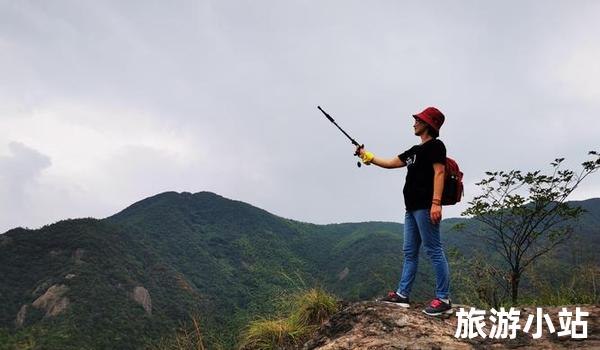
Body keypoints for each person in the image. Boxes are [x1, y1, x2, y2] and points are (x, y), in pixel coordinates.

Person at [356, 106, 452, 316]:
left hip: (426, 207)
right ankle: (402, 295)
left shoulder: (436, 146)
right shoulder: (414, 152)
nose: (414, 122)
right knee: (409, 253)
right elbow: (390, 163)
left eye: (418, 120)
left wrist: (436, 203)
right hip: (411, 209)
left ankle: (443, 298)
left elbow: (439, 172)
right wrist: (366, 155)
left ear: (428, 124)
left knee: (434, 250)